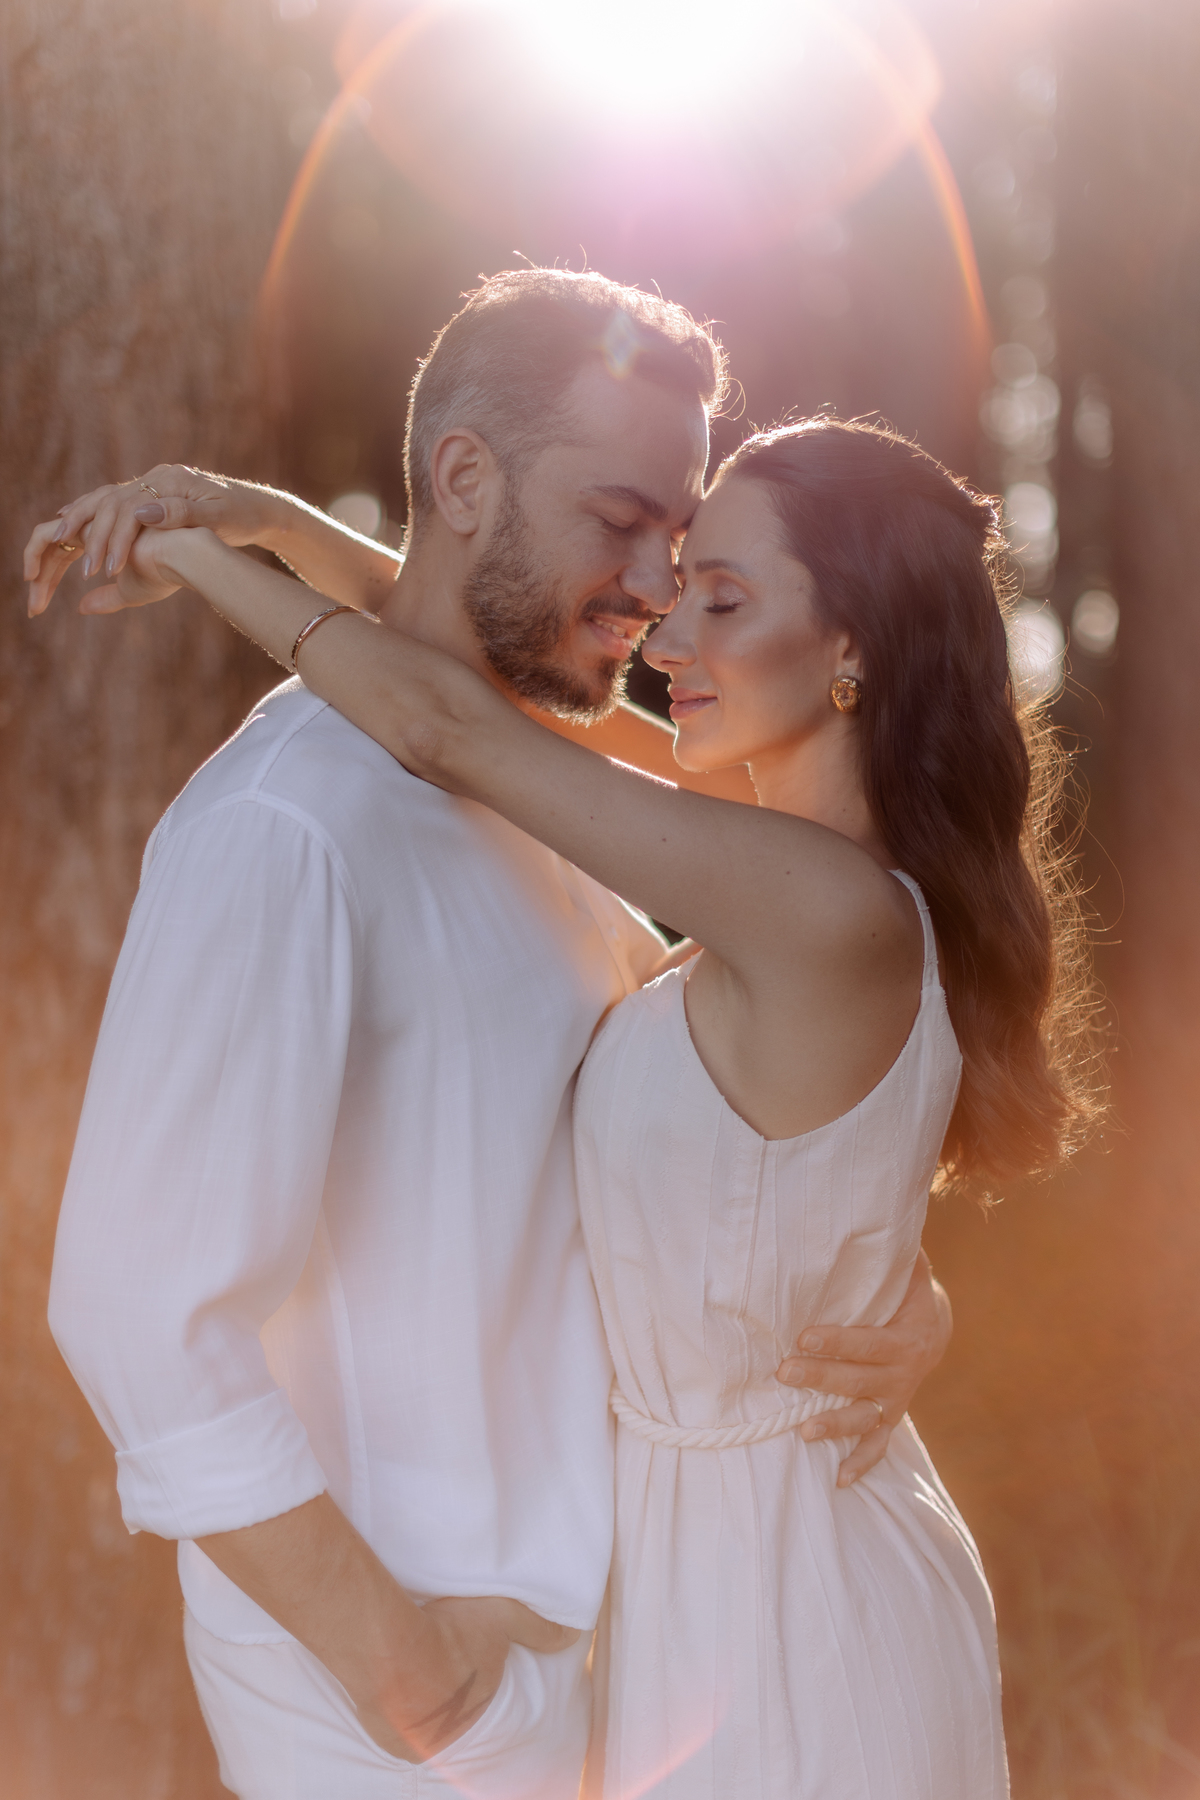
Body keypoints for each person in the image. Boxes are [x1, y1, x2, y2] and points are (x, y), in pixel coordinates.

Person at [28, 272, 954, 1800]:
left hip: (638, 1669)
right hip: (425, 1723)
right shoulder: (287, 827)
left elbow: (674, 1165)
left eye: (684, 545)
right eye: (622, 520)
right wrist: (424, 1686)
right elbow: (138, 1316)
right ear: (463, 479)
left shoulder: (547, 793)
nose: (655, 587)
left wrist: (877, 1285)